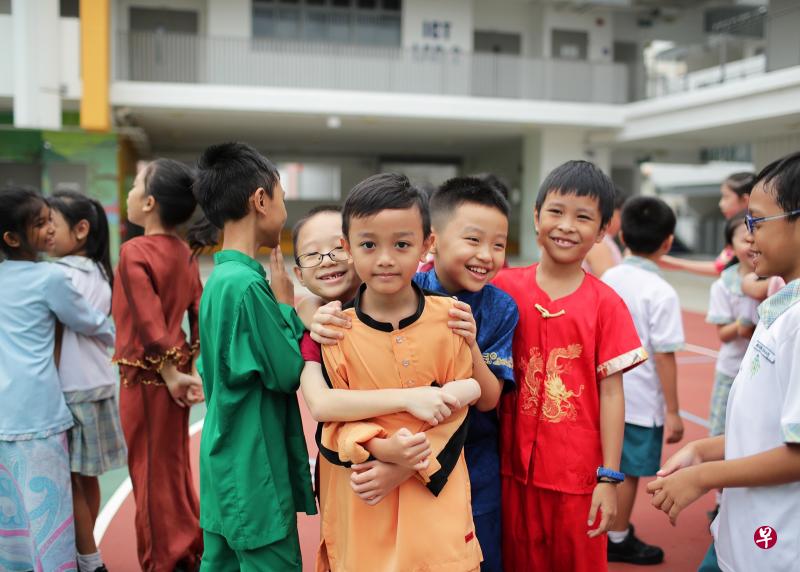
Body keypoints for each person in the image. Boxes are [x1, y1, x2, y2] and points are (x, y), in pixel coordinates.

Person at [306, 177, 519, 571]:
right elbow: (332, 419)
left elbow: (464, 408)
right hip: (365, 500)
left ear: (425, 245)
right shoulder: (337, 330)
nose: (386, 259)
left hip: (438, 498)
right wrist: (379, 448)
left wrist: (407, 462)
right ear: (347, 247)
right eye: (369, 245)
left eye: (401, 245)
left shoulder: (451, 320)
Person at [491, 160, 647, 572]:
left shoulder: (606, 304)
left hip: (578, 480)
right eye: (556, 212)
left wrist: (609, 478)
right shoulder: (502, 289)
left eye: (583, 217)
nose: (566, 226)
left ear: (602, 230)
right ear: (536, 216)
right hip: (509, 470)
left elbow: (612, 394)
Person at [647, 151, 800, 572]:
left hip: (777, 546)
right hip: (747, 533)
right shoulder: (783, 305)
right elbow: (767, 434)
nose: (746, 237)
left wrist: (704, 477)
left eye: (758, 222)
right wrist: (703, 450)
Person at [193, 142, 317, 571]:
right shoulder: (247, 286)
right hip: (253, 466)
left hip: (225, 457)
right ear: (260, 200)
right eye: (281, 196)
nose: (283, 208)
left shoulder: (221, 279)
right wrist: (286, 306)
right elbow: (286, 371)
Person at [0, 187, 115, 572]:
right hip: (41, 411)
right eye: (40, 223)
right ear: (12, 238)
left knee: (13, 506)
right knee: (51, 502)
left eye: (50, 219)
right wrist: (113, 337)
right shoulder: (50, 277)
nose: (50, 228)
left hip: (6, 412)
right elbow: (88, 320)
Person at [111, 159, 206, 572]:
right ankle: (187, 547)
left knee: (149, 470)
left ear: (149, 203)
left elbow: (148, 322)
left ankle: (161, 560)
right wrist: (190, 367)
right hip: (176, 375)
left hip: (148, 378)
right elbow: (199, 313)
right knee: (173, 465)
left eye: (135, 185)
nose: (130, 193)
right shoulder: (184, 253)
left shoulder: (134, 251)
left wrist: (170, 374)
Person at [602, 196, 685, 565]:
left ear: (622, 236)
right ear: (668, 242)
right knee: (629, 471)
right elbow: (664, 355)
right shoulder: (661, 292)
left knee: (606, 464)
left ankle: (605, 528)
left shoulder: (608, 278)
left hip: (604, 392)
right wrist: (674, 411)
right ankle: (617, 537)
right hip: (640, 400)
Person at [48, 190, 128, 572]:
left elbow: (55, 337)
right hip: (97, 385)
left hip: (70, 389)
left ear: (80, 230)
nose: (45, 231)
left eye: (51, 223)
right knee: (87, 479)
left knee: (71, 481)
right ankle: (87, 549)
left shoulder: (60, 275)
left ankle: (89, 559)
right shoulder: (99, 271)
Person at [705, 212, 759, 438]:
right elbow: (724, 334)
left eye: (755, 234)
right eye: (744, 239)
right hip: (731, 371)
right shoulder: (723, 285)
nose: (751, 242)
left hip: (761, 372)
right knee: (721, 432)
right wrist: (742, 325)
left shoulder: (773, 278)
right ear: (730, 247)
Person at [660, 172, 755, 277]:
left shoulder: (745, 229)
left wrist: (667, 261)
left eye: (726, 197)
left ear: (745, 200)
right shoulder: (740, 227)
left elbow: (720, 267)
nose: (721, 204)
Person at [583, 187, 626, 277]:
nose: (622, 221)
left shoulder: (603, 240)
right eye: (620, 215)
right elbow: (609, 280)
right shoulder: (598, 243)